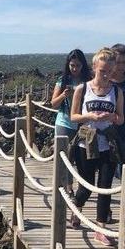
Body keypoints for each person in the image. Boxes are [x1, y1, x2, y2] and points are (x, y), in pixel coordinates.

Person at [69, 47, 124, 245]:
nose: (106, 74)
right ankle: (76, 207)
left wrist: (112, 117)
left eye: (110, 71)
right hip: (87, 142)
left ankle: (100, 228)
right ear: (94, 68)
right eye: (102, 71)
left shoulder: (116, 91)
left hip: (107, 142)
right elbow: (73, 116)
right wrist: (90, 116)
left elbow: (121, 118)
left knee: (105, 186)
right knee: (86, 185)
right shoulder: (82, 89)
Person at [51, 49, 91, 192]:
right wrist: (63, 95)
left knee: (81, 157)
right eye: (72, 65)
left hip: (82, 124)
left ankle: (83, 188)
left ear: (83, 66)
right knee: (65, 156)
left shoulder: (88, 82)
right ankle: (68, 187)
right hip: (64, 122)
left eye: (78, 66)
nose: (74, 69)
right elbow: (53, 103)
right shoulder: (62, 81)